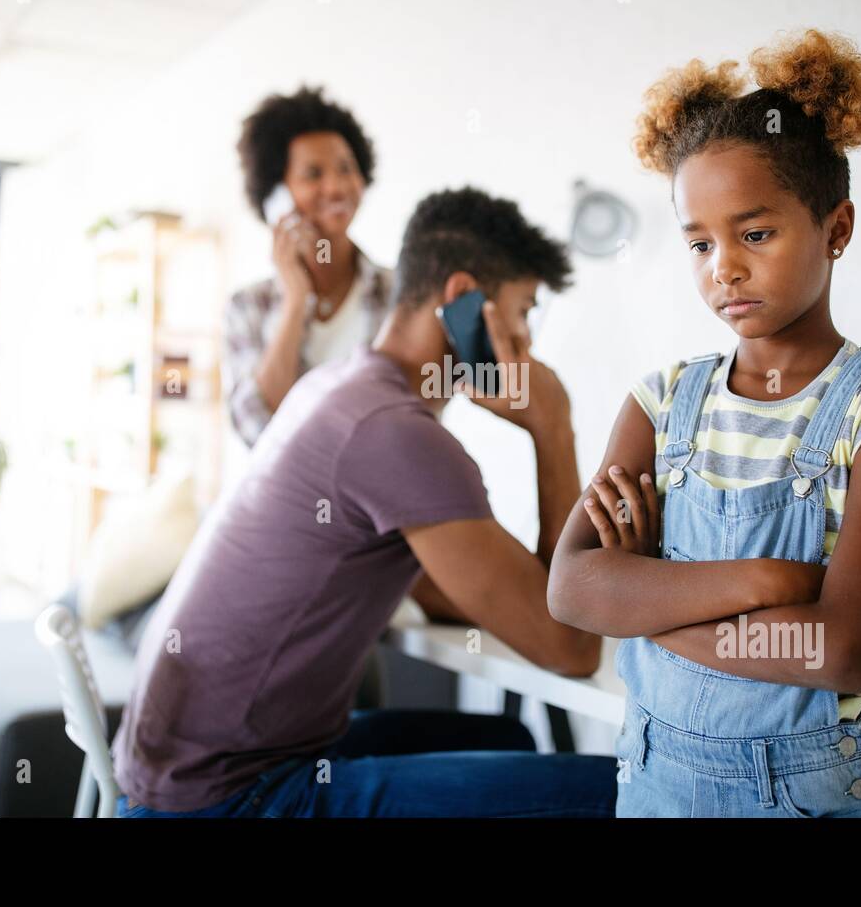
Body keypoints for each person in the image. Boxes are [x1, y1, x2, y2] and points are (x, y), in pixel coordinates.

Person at [548, 29, 861, 818]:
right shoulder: (661, 401)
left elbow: (842, 652)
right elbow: (571, 589)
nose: (723, 266)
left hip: (795, 795)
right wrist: (772, 584)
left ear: (835, 229)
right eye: (698, 242)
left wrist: (648, 603)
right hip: (649, 774)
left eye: (755, 234)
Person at [111, 187, 617, 817]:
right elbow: (570, 650)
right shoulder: (396, 433)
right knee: (619, 789)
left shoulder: (336, 387)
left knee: (507, 737)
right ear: (463, 297)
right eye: (522, 312)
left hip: (177, 772)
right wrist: (553, 427)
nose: (525, 342)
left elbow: (440, 589)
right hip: (229, 799)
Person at [225, 85, 392, 447]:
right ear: (276, 197)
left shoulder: (398, 291)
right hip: (289, 500)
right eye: (313, 174)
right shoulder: (248, 306)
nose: (335, 187)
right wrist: (296, 302)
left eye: (346, 169)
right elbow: (259, 427)